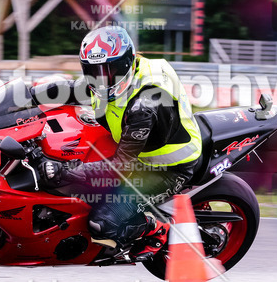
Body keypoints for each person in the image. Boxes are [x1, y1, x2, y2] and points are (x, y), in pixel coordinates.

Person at [33, 26, 204, 259]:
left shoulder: (145, 105)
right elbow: (68, 90)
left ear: (126, 64)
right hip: (135, 150)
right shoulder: (110, 82)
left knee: (101, 224)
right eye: (93, 71)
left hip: (165, 169)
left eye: (108, 70)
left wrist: (67, 172)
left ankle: (155, 228)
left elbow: (122, 167)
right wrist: (24, 95)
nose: (101, 79)